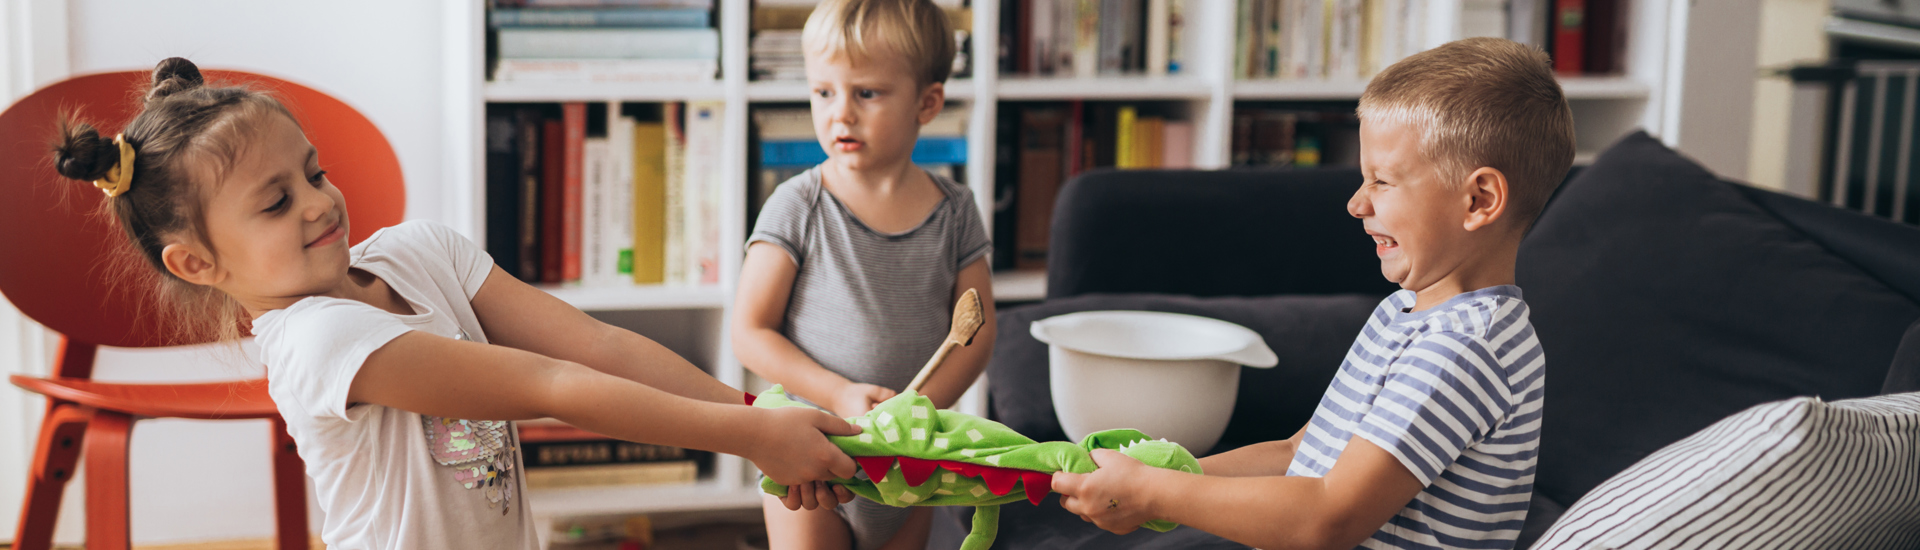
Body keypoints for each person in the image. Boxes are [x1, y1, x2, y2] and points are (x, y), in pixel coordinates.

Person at [48, 57, 861, 550]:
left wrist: (758, 414)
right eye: (274, 203)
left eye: (314, 171)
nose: (317, 202)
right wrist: (753, 435)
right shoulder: (316, 343)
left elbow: (591, 346)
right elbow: (548, 386)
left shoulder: (420, 251)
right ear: (197, 263)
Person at [1050, 37, 1571, 550]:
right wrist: (1164, 476)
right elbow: (1297, 451)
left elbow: (1326, 519)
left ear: (1479, 199)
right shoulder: (1405, 312)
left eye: (1382, 182)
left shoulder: (1465, 349)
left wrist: (1154, 494)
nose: (1355, 204)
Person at [730, 0, 997, 548]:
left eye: (866, 93)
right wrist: (838, 392)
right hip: (808, 448)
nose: (840, 114)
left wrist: (918, 415)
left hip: (908, 459)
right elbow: (750, 332)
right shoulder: (796, 205)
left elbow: (978, 329)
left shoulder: (955, 210)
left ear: (928, 102)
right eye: (824, 92)